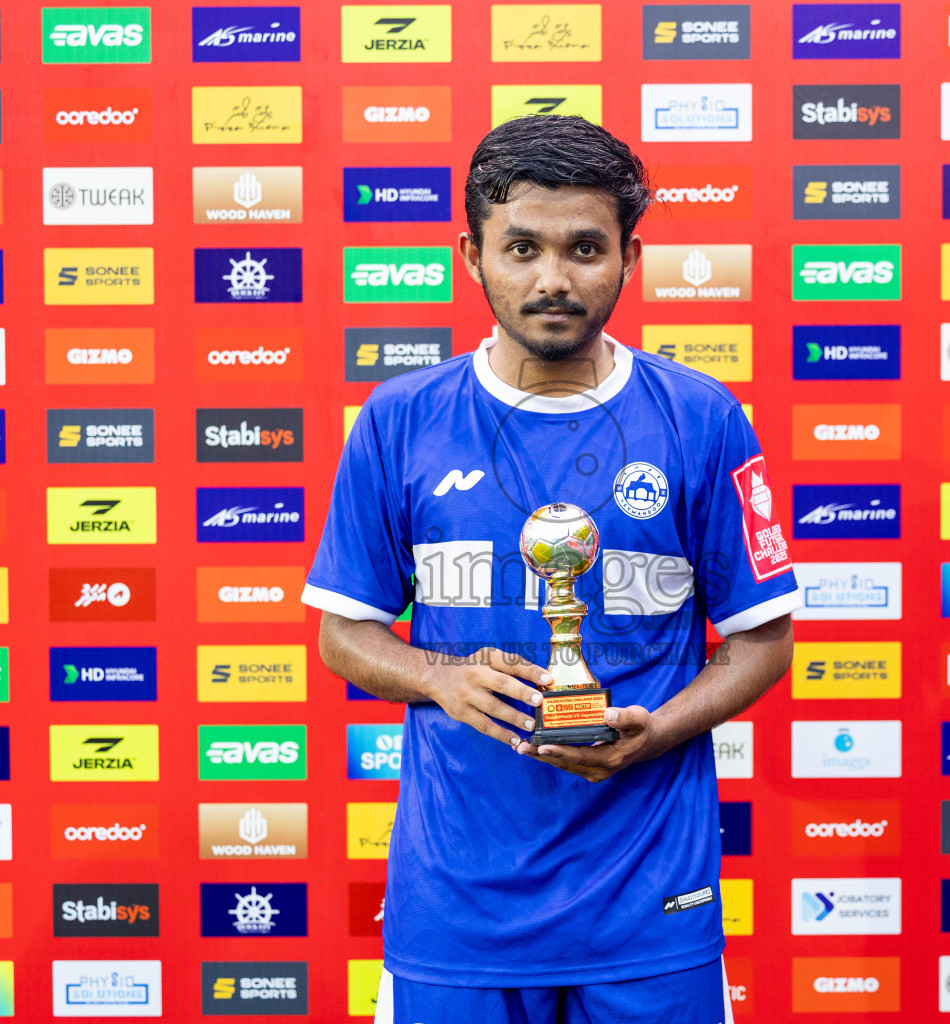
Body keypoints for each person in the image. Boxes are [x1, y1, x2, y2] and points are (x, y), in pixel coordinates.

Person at [305, 115, 799, 1024]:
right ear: (472, 256)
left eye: (585, 249)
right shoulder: (399, 419)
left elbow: (763, 642)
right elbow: (345, 633)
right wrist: (438, 677)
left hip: (650, 904)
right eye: (522, 247)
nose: (553, 281)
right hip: (457, 910)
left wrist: (656, 731)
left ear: (629, 258)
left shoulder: (704, 419)